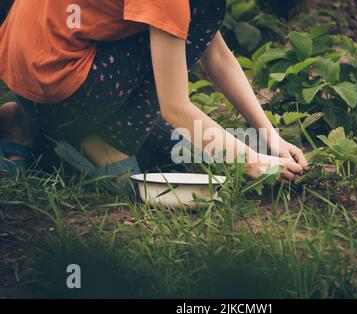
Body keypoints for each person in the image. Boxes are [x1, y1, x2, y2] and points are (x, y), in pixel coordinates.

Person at [0, 0, 307, 188]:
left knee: (178, 150)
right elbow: (176, 108)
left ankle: (25, 120)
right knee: (141, 176)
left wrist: (271, 137)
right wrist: (254, 162)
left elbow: (219, 57)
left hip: (34, 73)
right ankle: (96, 139)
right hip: (61, 85)